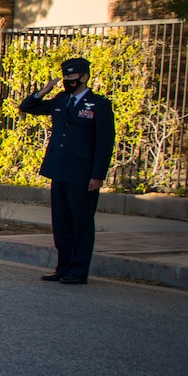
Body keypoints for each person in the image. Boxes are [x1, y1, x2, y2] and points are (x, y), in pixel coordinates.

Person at [19, 57, 116, 284]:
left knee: (80, 222)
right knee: (61, 222)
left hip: (82, 174)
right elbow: (27, 107)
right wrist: (44, 90)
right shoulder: (61, 100)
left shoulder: (98, 105)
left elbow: (104, 143)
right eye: (65, 78)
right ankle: (63, 268)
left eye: (72, 79)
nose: (67, 82)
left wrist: (98, 175)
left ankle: (78, 270)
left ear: (84, 77)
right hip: (59, 170)